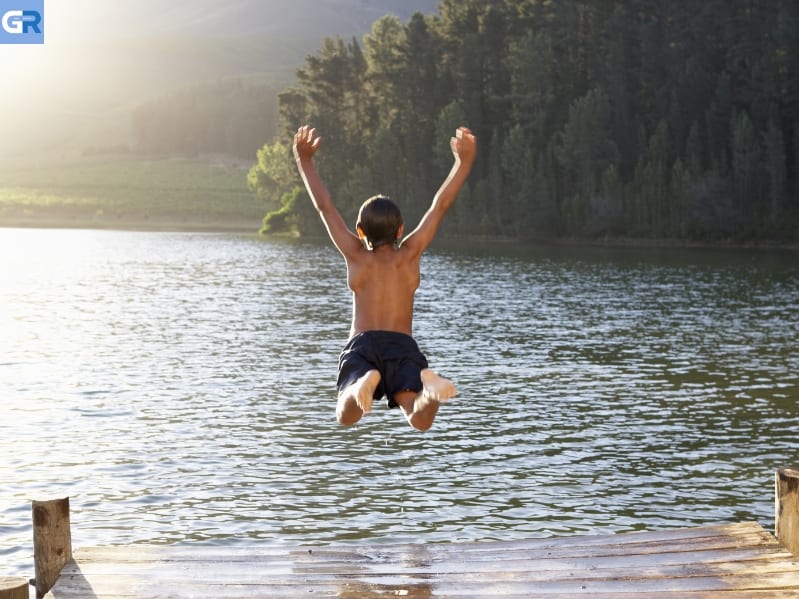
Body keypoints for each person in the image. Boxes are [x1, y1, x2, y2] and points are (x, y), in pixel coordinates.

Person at [293, 124, 477, 431]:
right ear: (401, 230)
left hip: (363, 345)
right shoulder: (410, 254)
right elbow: (440, 206)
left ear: (361, 231)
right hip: (402, 346)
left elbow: (324, 207)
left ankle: (361, 383)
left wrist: (305, 161)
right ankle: (429, 393)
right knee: (418, 419)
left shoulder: (356, 255)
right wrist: (463, 162)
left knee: (346, 414)